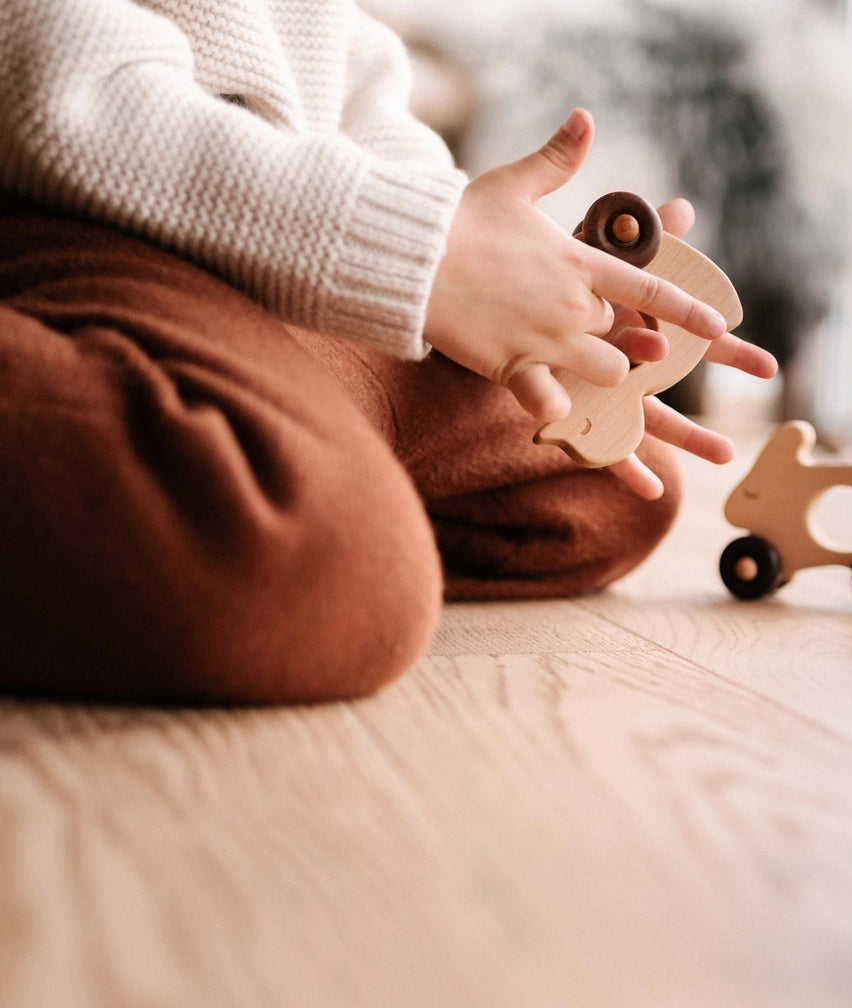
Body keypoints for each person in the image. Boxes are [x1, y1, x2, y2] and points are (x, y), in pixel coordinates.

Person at [0, 0, 778, 704]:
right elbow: (49, 81)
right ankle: (284, 459)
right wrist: (422, 252)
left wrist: (503, 279)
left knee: (595, 489)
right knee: (317, 561)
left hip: (253, 252)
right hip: (72, 204)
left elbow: (344, 79)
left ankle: (278, 426)